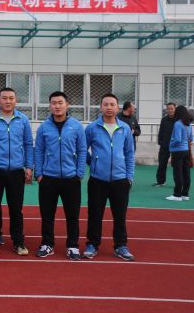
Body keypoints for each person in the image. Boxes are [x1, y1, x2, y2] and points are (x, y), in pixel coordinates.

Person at [34, 91, 87, 260]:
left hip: (71, 178)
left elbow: (82, 150)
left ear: (67, 105)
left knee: (72, 215)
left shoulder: (76, 126)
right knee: (47, 215)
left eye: (60, 102)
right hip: (48, 178)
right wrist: (39, 174)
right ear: (50, 106)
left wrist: (79, 174)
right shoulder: (44, 127)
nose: (57, 106)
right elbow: (39, 150)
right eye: (54, 103)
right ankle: (47, 244)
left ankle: (72, 246)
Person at [0, 87, 33, 255]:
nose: (8, 101)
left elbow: (28, 144)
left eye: (11, 98)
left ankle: (18, 242)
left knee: (16, 208)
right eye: (4, 98)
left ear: (16, 100)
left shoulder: (23, 119)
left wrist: (29, 166)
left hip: (16, 170)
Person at [83, 93, 135, 261]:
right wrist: (93, 163)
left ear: (117, 108)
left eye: (112, 104)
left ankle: (120, 245)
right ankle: (92, 244)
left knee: (120, 216)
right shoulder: (92, 128)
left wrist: (129, 176)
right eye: (105, 104)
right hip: (97, 180)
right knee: (94, 215)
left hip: (120, 180)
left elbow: (130, 153)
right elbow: (83, 150)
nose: (109, 107)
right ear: (100, 107)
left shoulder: (125, 128)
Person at [166, 106, 194, 201]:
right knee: (186, 172)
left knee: (177, 173)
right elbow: (191, 138)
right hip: (186, 151)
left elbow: (177, 139)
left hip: (178, 151)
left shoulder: (178, 124)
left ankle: (177, 195)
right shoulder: (189, 123)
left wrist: (170, 144)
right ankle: (185, 194)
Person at [154, 102, 176, 186]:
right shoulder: (164, 119)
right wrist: (160, 141)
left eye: (172, 109)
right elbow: (161, 131)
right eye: (168, 109)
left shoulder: (178, 120)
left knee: (177, 166)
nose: (170, 110)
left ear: (175, 109)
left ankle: (178, 183)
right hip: (164, 145)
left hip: (176, 146)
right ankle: (160, 181)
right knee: (162, 164)